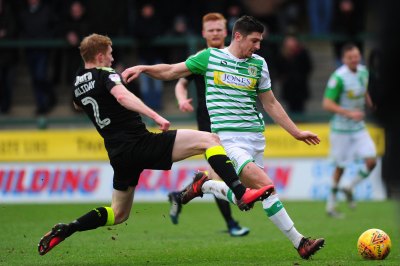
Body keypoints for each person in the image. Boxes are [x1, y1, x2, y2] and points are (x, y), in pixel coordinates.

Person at [37, 33, 274, 256]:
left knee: (118, 213)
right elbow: (122, 96)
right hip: (140, 143)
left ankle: (70, 228)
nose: (112, 57)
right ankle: (241, 192)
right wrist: (156, 116)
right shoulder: (107, 73)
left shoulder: (78, 82)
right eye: (110, 53)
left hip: (118, 154)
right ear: (99, 56)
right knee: (209, 140)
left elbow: (79, 105)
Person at [122, 15, 325, 260]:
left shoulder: (258, 64)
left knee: (245, 200)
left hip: (255, 139)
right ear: (237, 36)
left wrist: (296, 132)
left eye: (260, 41)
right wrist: (144, 68)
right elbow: (171, 71)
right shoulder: (209, 58)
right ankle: (300, 242)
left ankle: (204, 185)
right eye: (255, 40)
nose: (258, 46)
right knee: (266, 187)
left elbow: (270, 102)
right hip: (227, 140)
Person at [168, 13, 249, 237]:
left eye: (218, 29)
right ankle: (232, 224)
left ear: (227, 32)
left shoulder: (235, 57)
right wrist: (181, 99)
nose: (214, 33)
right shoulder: (201, 58)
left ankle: (182, 194)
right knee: (219, 176)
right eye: (210, 30)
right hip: (209, 126)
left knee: (230, 173)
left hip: (234, 123)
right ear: (204, 33)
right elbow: (180, 82)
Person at [322, 43, 377, 218]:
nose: (355, 59)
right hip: (341, 129)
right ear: (344, 59)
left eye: (357, 56)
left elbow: (365, 90)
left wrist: (371, 103)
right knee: (340, 167)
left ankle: (349, 187)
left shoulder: (363, 72)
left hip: (358, 128)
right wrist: (349, 113)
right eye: (350, 57)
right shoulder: (338, 78)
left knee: (372, 161)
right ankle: (331, 206)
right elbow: (327, 103)